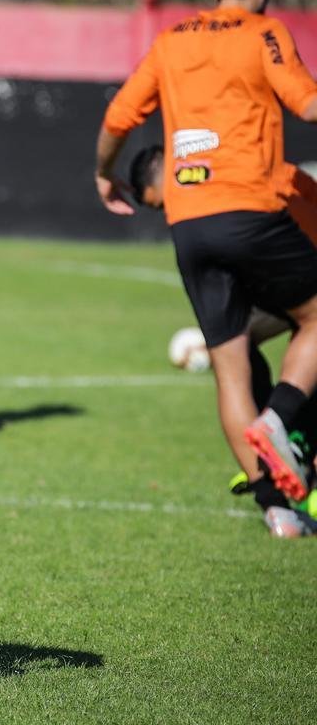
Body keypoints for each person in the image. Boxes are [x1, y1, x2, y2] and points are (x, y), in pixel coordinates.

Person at [95, 0, 317, 511]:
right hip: (252, 208)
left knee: (230, 366)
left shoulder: (172, 41)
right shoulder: (264, 34)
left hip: (190, 223)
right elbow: (308, 104)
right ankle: (281, 420)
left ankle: (278, 512)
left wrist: (103, 173)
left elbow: (120, 116)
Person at [130, 145, 317, 536]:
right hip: (283, 274)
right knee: (238, 347)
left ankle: (288, 448)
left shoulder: (237, 182)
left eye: (161, 202)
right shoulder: (217, 185)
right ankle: (278, 460)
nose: (167, 214)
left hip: (299, 259)